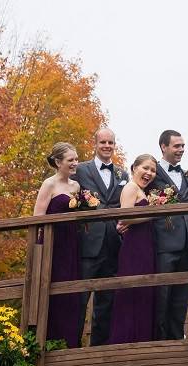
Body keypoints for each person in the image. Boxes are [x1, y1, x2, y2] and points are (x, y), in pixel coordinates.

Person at [73, 128, 129, 346]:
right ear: (95, 144)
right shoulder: (80, 170)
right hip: (88, 243)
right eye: (103, 142)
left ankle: (99, 349)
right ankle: (72, 347)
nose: (107, 146)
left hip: (114, 244)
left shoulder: (122, 174)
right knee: (79, 298)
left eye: (111, 143)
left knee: (107, 301)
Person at [147, 130, 188, 340]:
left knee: (181, 298)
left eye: (183, 146)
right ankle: (158, 346)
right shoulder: (151, 172)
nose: (181, 150)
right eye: (177, 146)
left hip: (187, 244)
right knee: (162, 296)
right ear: (163, 147)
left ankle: (178, 343)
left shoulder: (187, 174)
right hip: (164, 244)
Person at [33, 142, 82, 348]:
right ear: (57, 162)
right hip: (53, 242)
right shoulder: (49, 184)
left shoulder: (76, 186)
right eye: (71, 160)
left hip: (71, 242)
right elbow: (37, 216)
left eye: (76, 159)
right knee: (49, 288)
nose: (75, 163)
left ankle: (70, 342)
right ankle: (48, 341)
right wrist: (38, 249)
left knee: (71, 292)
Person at [108, 154, 158, 344]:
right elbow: (125, 217)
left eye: (153, 170)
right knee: (132, 293)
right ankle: (126, 341)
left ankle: (143, 339)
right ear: (134, 168)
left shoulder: (141, 190)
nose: (149, 173)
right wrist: (153, 214)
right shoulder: (130, 187)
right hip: (134, 248)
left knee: (144, 293)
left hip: (145, 245)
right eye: (145, 168)